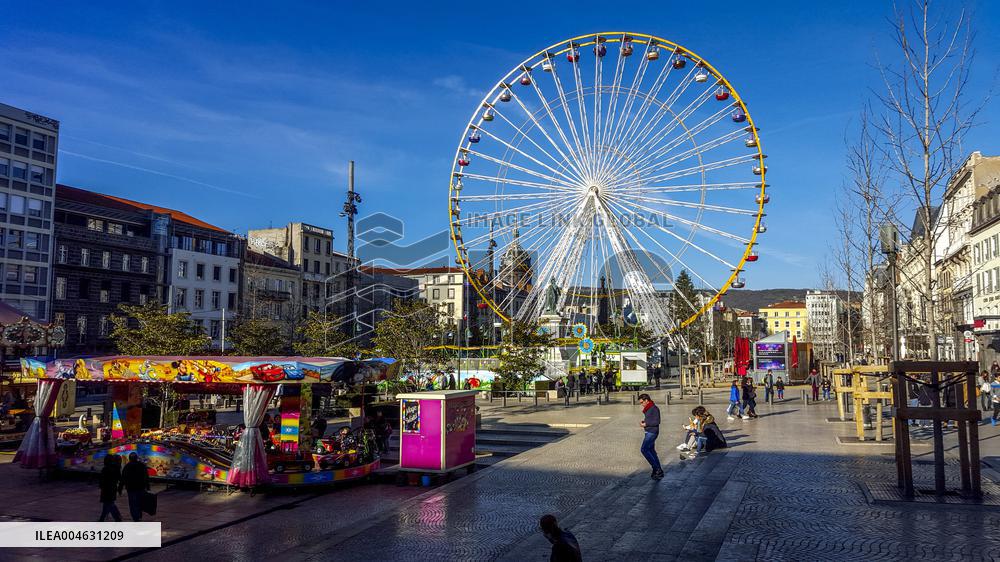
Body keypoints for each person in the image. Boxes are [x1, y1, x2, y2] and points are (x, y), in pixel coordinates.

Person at [637, 393, 663, 479]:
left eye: (642, 402)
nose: (641, 404)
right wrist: (644, 422)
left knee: (644, 449)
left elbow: (657, 421)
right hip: (648, 431)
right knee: (651, 451)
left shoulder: (654, 408)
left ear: (646, 400)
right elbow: (651, 419)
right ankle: (659, 470)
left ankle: (656, 468)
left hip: (652, 432)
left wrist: (646, 424)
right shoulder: (648, 408)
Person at [119, 452, 149, 522]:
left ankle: (135, 517)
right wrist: (147, 486)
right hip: (140, 487)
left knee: (132, 503)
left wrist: (120, 488)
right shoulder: (141, 465)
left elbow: (123, 478)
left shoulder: (127, 466)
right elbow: (146, 476)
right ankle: (139, 515)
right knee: (139, 502)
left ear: (129, 458)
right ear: (136, 458)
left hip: (131, 488)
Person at [98, 454, 122, 522]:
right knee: (107, 504)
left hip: (106, 489)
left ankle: (117, 518)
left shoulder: (105, 469)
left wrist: (101, 486)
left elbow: (102, 479)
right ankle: (102, 518)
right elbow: (120, 478)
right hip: (112, 488)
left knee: (109, 504)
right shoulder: (116, 468)